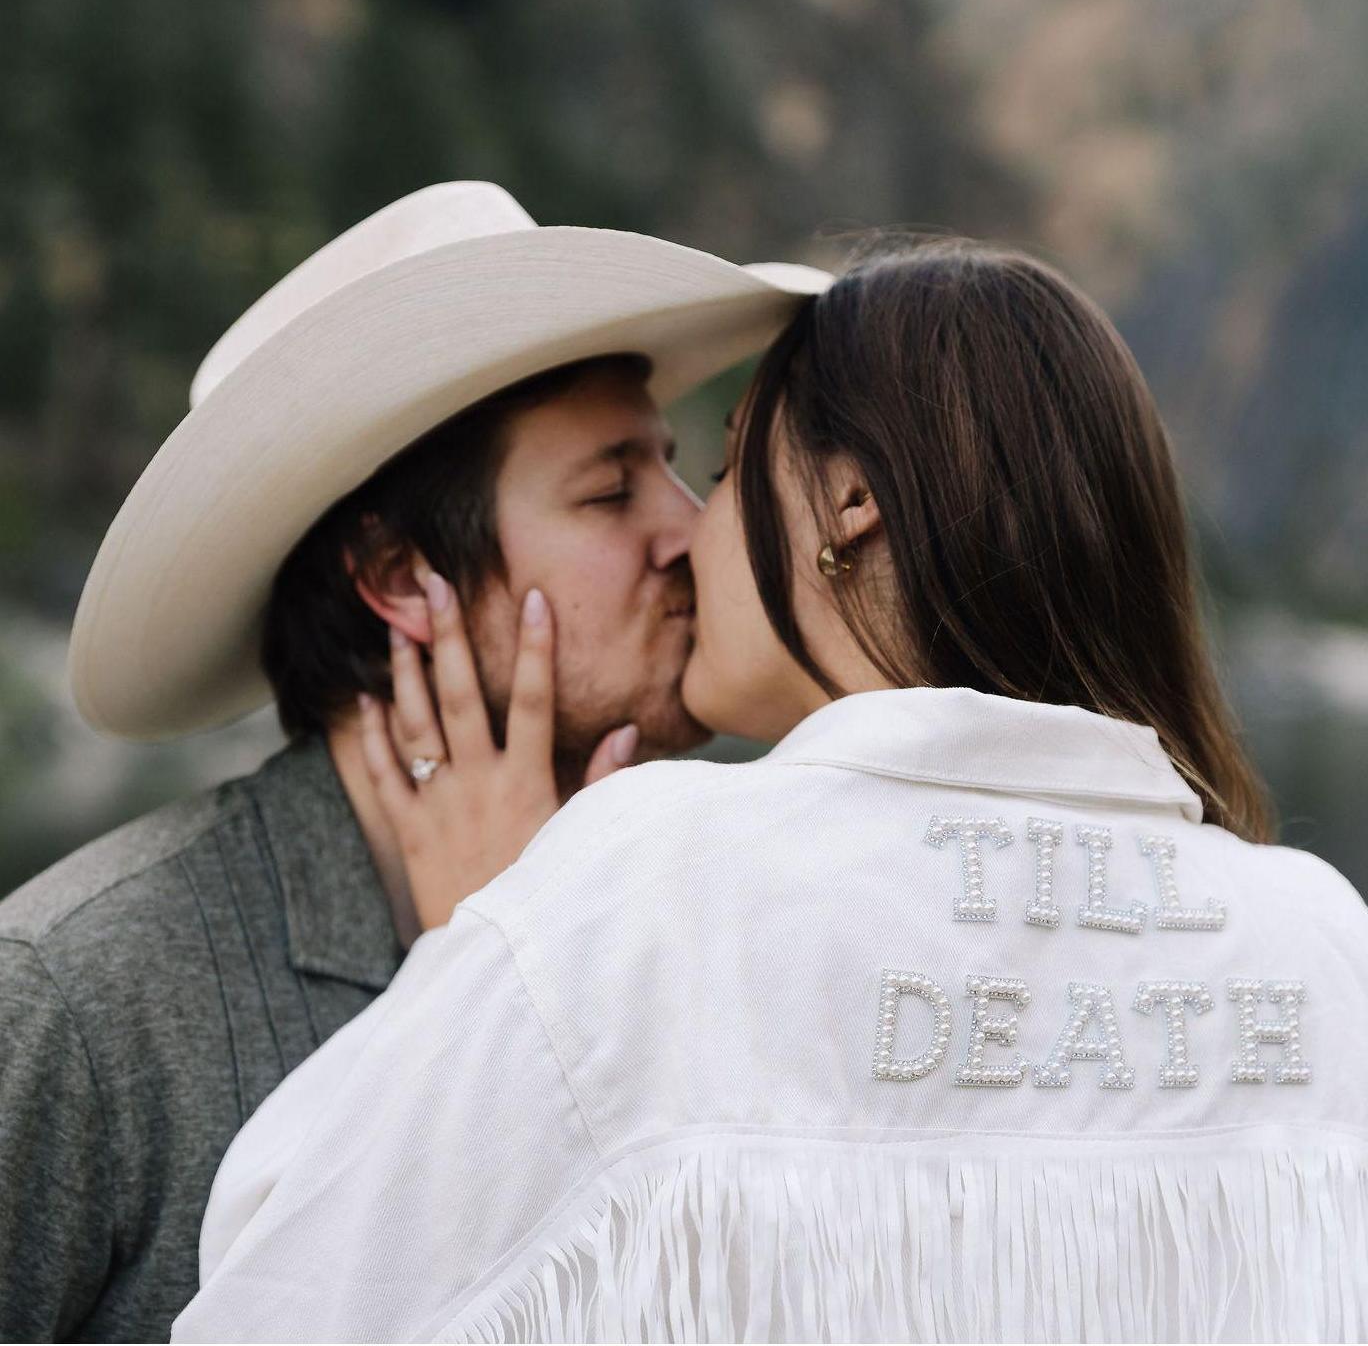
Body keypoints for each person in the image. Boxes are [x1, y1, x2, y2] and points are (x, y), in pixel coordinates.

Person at [176, 235, 1368, 1343]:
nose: (693, 537)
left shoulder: (641, 891)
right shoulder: (1327, 939)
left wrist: (481, 952)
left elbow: (275, 1282)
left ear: (851, 501)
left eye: (733, 460)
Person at [0, 180, 827, 1341]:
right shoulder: (84, 1005)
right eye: (610, 490)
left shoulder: (690, 927)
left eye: (673, 467)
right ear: (399, 582)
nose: (689, 531)